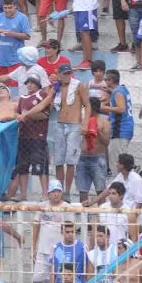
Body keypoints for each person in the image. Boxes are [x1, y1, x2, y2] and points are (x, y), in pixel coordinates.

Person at [52, 63, 89, 198]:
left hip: (74, 124)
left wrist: (85, 123)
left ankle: (67, 191)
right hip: (60, 124)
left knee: (71, 160)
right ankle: (59, 191)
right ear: (59, 74)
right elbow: (50, 104)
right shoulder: (56, 87)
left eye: (69, 73)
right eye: (65, 74)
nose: (68, 76)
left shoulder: (78, 85)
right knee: (58, 161)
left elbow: (88, 105)